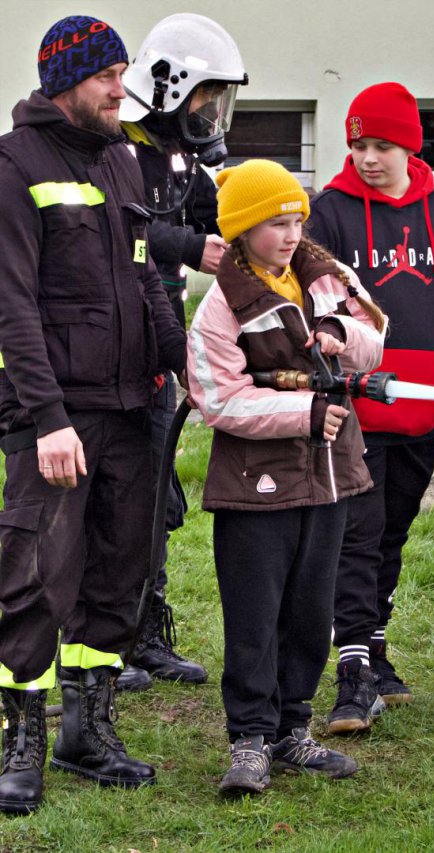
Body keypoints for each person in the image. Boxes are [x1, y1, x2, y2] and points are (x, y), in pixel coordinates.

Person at [0, 15, 187, 813]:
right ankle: (23, 740)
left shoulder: (121, 161)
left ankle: (89, 732)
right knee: (37, 578)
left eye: (124, 73)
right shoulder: (14, 165)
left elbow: (146, 278)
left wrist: (183, 363)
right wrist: (47, 420)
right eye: (109, 75)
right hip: (58, 417)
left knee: (119, 575)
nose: (123, 89)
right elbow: (10, 306)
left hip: (131, 408)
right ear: (66, 81)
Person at [187, 159, 386, 795]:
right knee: (256, 614)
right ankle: (249, 738)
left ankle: (292, 728)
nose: (292, 232)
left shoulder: (327, 277)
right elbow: (217, 398)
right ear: (243, 231)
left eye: (297, 218)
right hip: (254, 486)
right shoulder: (220, 305)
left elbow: (376, 338)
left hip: (328, 476)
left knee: (310, 609)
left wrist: (339, 334)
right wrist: (305, 411)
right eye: (275, 222)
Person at [308, 82, 434, 733]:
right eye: (357, 144)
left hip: (421, 411)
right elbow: (315, 308)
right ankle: (351, 674)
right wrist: (343, 378)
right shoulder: (328, 213)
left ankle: (374, 649)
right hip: (356, 416)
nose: (366, 157)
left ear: (409, 145)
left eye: (380, 145)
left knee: (390, 535)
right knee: (355, 536)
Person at [114, 13, 249, 691]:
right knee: (118, 488)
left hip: (164, 339)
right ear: (171, 89)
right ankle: (103, 633)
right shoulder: (116, 150)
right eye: (207, 97)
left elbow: (217, 220)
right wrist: (191, 249)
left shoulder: (181, 160)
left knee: (159, 490)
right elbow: (124, 234)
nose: (212, 113)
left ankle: (145, 628)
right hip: (113, 339)